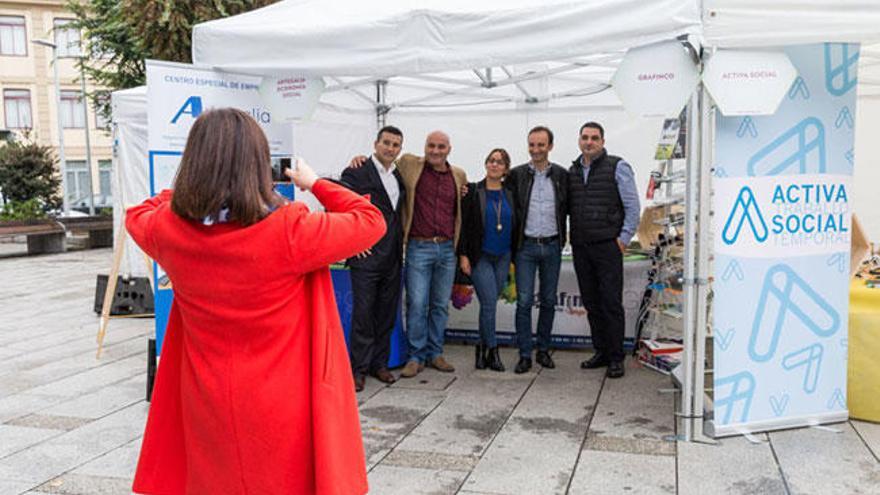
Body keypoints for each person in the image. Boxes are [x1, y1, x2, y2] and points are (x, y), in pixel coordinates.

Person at [128, 108, 384, 495]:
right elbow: (370, 219)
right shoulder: (290, 231)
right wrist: (315, 183)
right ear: (258, 167)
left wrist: (189, 191)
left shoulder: (168, 230)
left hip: (205, 400)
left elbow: (139, 212)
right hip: (280, 404)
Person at [350, 131, 467, 379]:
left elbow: (463, 205)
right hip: (418, 247)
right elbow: (373, 168)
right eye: (431, 145)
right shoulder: (409, 165)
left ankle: (435, 353)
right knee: (416, 304)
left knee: (439, 306)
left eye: (441, 146)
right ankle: (416, 356)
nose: (435, 150)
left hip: (446, 249)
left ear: (449, 149)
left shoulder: (458, 175)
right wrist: (359, 158)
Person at [568, 121, 641, 379]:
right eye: (585, 137)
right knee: (592, 302)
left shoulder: (618, 166)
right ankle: (601, 351)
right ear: (579, 140)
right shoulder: (573, 170)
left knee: (611, 302)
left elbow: (633, 206)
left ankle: (616, 357)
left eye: (594, 138)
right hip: (581, 247)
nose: (589, 142)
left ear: (602, 141)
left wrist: (623, 239)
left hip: (608, 246)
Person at [339, 125, 406, 392]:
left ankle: (380, 364)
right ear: (376, 143)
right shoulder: (356, 171)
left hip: (392, 257)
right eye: (386, 143)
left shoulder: (399, 175)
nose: (390, 148)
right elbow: (338, 205)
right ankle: (358, 370)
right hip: (365, 258)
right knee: (363, 316)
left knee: (386, 314)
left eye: (395, 145)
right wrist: (352, 243)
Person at [505, 126, 568, 374]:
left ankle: (543, 350)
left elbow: (573, 207)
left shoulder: (562, 175)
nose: (536, 149)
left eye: (541, 145)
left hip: (552, 246)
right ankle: (524, 354)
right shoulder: (516, 175)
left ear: (550, 146)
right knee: (523, 302)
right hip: (526, 247)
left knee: (550, 301)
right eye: (532, 144)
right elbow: (496, 192)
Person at [458, 148, 516, 372]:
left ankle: (480, 348)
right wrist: (463, 254)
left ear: (505, 168)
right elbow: (462, 225)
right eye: (491, 160)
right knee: (490, 303)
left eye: (499, 162)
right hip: (480, 256)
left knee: (488, 305)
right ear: (486, 164)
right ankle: (493, 350)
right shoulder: (472, 191)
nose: (494, 165)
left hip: (503, 257)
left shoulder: (510, 194)